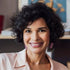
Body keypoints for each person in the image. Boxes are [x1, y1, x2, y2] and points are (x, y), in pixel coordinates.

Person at [0, 2, 68, 70]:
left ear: (51, 33)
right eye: (28, 31)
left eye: (41, 30)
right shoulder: (3, 62)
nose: (35, 38)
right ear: (22, 34)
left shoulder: (62, 68)